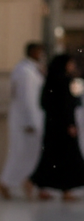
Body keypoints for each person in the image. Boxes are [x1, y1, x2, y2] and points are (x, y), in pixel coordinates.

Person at [30, 53, 84, 200]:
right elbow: (68, 105)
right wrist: (70, 124)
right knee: (68, 159)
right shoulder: (64, 81)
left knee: (51, 158)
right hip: (64, 128)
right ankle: (65, 190)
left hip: (53, 126)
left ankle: (40, 186)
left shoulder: (51, 80)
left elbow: (44, 104)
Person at [0, 42, 46, 199]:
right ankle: (5, 182)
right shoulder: (25, 72)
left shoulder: (29, 70)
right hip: (25, 121)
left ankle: (31, 183)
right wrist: (31, 122)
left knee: (31, 153)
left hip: (27, 119)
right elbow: (27, 99)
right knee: (21, 153)